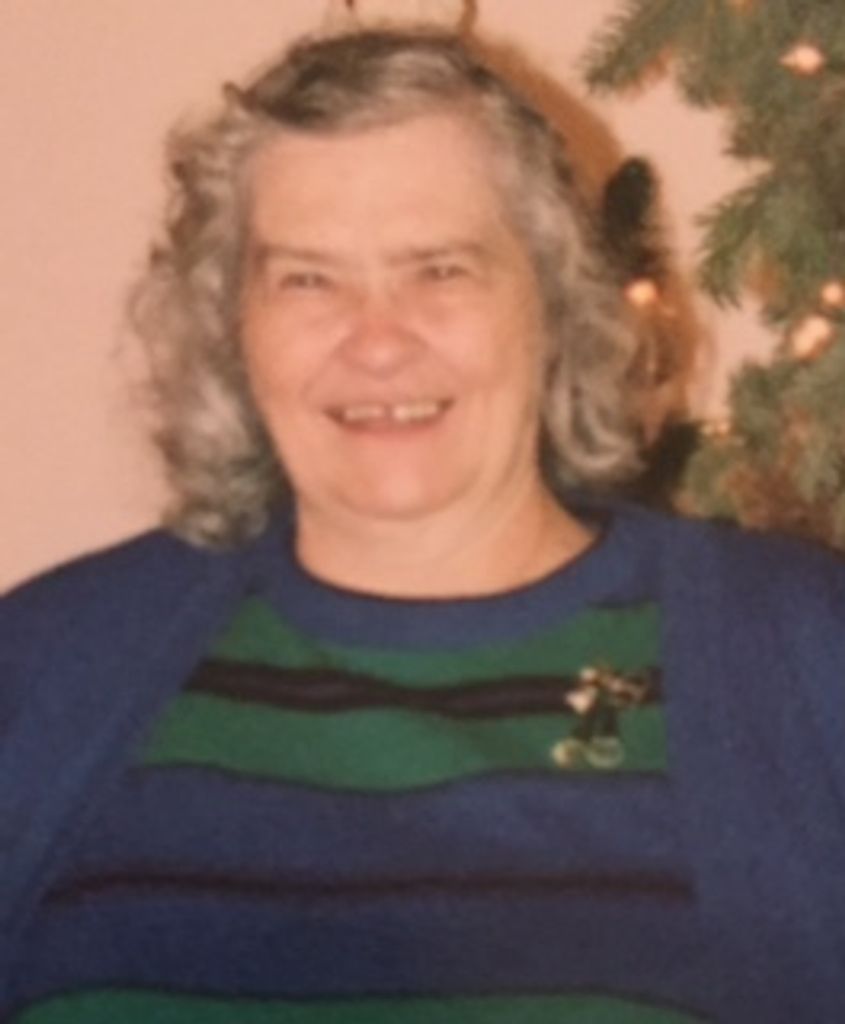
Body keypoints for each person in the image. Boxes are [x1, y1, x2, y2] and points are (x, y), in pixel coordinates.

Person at [2, 25, 844, 1024]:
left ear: (554, 303)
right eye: (307, 278)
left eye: (439, 269)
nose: (377, 340)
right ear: (234, 327)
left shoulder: (799, 657)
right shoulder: (45, 668)